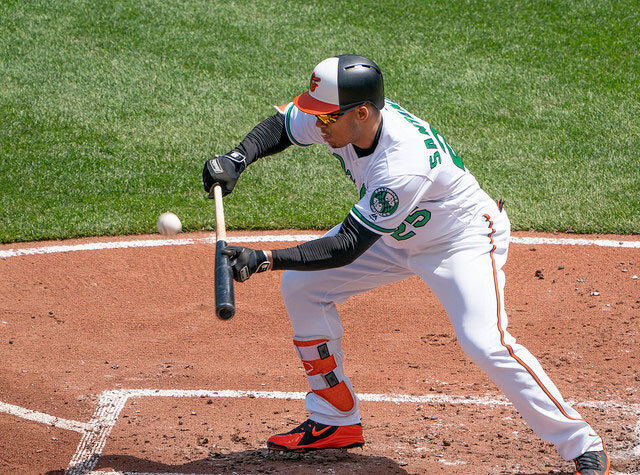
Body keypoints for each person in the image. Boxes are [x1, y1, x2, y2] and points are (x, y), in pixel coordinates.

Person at [202, 54, 610, 474]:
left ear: (362, 113)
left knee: (484, 342)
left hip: (459, 241)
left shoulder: (402, 163)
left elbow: (347, 246)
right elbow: (282, 126)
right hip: (394, 235)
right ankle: (333, 418)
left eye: (326, 119)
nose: (318, 125)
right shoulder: (342, 116)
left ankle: (583, 444)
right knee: (303, 287)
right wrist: (236, 159)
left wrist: (266, 259)